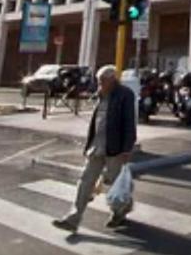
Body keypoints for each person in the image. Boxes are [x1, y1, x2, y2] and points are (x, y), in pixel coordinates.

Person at [53, 65, 137, 232]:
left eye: (103, 81)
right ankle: (73, 219)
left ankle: (120, 212)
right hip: (96, 146)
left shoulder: (125, 95)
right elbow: (97, 121)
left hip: (115, 148)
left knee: (115, 184)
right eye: (99, 81)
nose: (99, 84)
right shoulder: (101, 94)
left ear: (112, 80)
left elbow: (129, 123)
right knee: (85, 182)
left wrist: (127, 149)